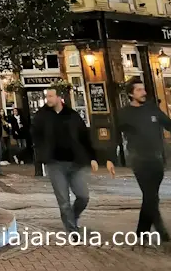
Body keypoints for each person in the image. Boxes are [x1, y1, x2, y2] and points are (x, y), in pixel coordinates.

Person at [31, 87, 114, 235]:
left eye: (51, 96)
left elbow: (84, 137)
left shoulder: (72, 115)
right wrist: (41, 152)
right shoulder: (41, 116)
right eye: (47, 96)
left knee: (83, 197)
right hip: (55, 163)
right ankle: (72, 230)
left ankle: (72, 217)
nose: (48, 99)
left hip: (76, 163)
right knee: (63, 201)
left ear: (59, 98)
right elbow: (35, 135)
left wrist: (93, 157)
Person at [118, 78, 171, 251]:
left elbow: (169, 124)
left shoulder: (151, 108)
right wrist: (110, 158)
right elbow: (114, 133)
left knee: (151, 198)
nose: (144, 93)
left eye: (143, 89)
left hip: (157, 159)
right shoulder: (124, 113)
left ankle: (141, 234)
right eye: (139, 90)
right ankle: (165, 238)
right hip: (139, 160)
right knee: (151, 197)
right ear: (131, 94)